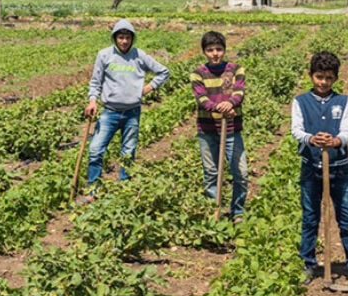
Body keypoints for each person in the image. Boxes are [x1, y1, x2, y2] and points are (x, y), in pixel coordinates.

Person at [291, 51, 348, 283]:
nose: (323, 82)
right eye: (319, 77)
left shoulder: (344, 101)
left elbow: (347, 131)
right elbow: (296, 130)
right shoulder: (300, 101)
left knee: (346, 217)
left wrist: (336, 141)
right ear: (311, 76)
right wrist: (311, 139)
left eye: (329, 78)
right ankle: (309, 264)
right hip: (311, 167)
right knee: (310, 217)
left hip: (339, 168)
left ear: (335, 79)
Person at [81, 19, 170, 200]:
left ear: (132, 38)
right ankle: (92, 190)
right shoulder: (104, 55)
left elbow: (163, 72)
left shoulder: (139, 55)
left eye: (127, 37)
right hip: (109, 111)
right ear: (114, 38)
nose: (124, 41)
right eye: (120, 37)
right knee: (95, 150)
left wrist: (148, 88)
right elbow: (95, 81)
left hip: (132, 113)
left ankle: (125, 190)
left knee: (128, 152)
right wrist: (92, 101)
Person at [190, 31, 248, 221]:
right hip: (207, 131)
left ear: (224, 49)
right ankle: (214, 212)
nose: (215, 53)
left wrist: (231, 103)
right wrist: (220, 108)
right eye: (210, 50)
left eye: (218, 49)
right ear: (204, 52)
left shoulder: (236, 70)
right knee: (211, 173)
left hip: (232, 130)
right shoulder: (198, 73)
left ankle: (237, 211)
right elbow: (201, 99)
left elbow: (239, 93)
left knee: (240, 172)